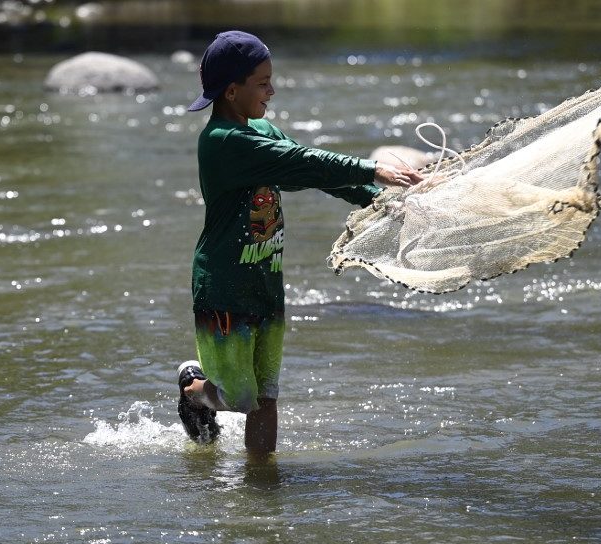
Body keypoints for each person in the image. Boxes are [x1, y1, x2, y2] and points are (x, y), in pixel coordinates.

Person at [177, 30, 422, 457]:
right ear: (232, 91)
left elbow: (310, 174)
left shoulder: (261, 128)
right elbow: (303, 161)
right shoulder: (222, 142)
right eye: (262, 82)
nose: (272, 89)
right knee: (238, 398)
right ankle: (192, 390)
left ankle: (262, 484)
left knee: (266, 394)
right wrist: (372, 168)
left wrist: (376, 201)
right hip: (223, 286)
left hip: (265, 280)